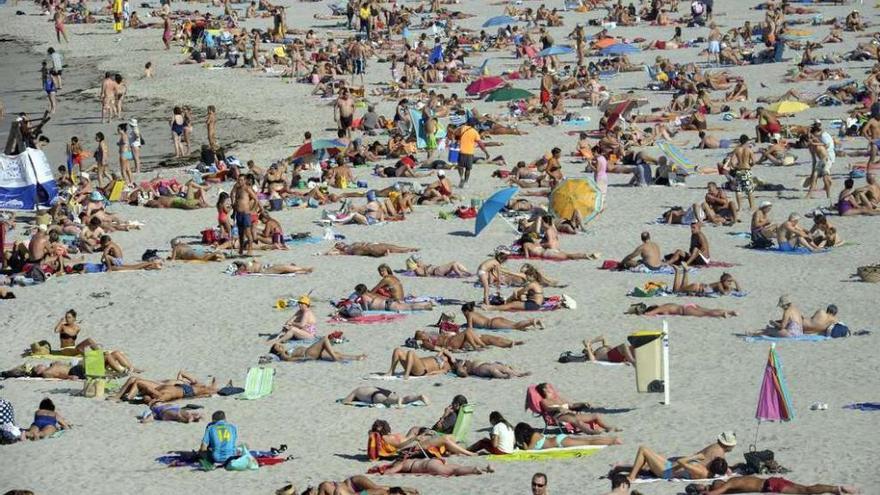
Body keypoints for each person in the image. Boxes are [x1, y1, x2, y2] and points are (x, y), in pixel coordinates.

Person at [534, 382, 620, 434]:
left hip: (570, 413)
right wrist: (558, 408)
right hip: (559, 415)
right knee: (576, 421)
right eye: (549, 387)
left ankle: (608, 427)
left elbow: (571, 405)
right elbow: (548, 409)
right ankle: (590, 432)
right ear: (545, 390)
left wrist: (582, 403)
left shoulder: (558, 398)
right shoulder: (544, 401)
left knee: (596, 415)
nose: (551, 388)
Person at [691, 476, 860, 494]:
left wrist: (707, 492)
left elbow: (718, 491)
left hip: (772, 485)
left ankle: (836, 489)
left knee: (806, 491)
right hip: (772, 483)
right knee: (805, 490)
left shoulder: (730, 482)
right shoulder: (734, 481)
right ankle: (836, 490)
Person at [514, 422, 621, 450]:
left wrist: (521, 444)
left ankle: (612, 441)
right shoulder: (535, 434)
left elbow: (528, 449)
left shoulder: (533, 439)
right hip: (558, 439)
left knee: (588, 442)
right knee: (588, 440)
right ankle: (611, 440)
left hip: (559, 442)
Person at [449, 123, 489, 188]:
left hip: (461, 151)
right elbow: (480, 143)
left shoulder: (462, 128)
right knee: (468, 169)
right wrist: (486, 152)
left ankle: (461, 178)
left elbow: (455, 134)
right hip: (470, 152)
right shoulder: (475, 132)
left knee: (460, 166)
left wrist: (456, 141)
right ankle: (466, 182)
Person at [270, 336, 366, 362]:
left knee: (335, 352)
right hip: (307, 353)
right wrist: (302, 359)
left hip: (309, 352)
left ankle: (355, 357)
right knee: (324, 339)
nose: (280, 346)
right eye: (278, 347)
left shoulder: (285, 351)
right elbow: (288, 359)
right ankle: (335, 358)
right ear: (277, 352)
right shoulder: (282, 355)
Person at [369, 458, 492, 476]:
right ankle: (485, 468)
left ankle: (475, 469)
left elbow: (390, 472)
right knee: (457, 466)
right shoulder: (408, 460)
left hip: (427, 465)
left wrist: (384, 471)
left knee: (454, 471)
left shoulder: (401, 463)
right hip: (432, 461)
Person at [354, 284, 432, 312]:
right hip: (388, 301)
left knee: (409, 307)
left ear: (359, 292)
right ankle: (425, 304)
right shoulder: (370, 293)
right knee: (408, 305)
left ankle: (426, 305)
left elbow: (366, 310)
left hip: (388, 306)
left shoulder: (363, 297)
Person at [386, 348, 456, 379]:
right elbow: (444, 349)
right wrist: (451, 356)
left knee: (411, 352)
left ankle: (406, 374)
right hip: (413, 365)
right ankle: (391, 371)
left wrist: (429, 374)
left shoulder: (447, 366)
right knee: (397, 350)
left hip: (421, 370)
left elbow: (439, 371)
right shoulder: (440, 356)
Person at [672, 265, 741, 296]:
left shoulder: (725, 286)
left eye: (731, 281)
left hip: (697, 287)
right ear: (723, 281)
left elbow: (739, 290)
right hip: (697, 287)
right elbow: (724, 293)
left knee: (683, 287)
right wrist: (729, 288)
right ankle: (677, 272)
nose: (730, 283)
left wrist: (735, 281)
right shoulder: (719, 284)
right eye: (729, 281)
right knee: (676, 291)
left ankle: (685, 271)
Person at [340, 386, 428, 408]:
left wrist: (350, 401)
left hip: (374, 395)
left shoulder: (355, 391)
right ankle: (418, 397)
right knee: (404, 399)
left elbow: (345, 401)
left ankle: (398, 400)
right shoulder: (362, 388)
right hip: (384, 390)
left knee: (386, 400)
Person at [324, 242, 418, 257]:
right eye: (338, 244)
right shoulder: (343, 251)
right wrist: (332, 248)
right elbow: (330, 253)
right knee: (370, 249)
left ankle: (409, 249)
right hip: (364, 249)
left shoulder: (351, 244)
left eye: (341, 242)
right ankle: (382, 254)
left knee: (390, 246)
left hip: (371, 245)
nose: (341, 243)